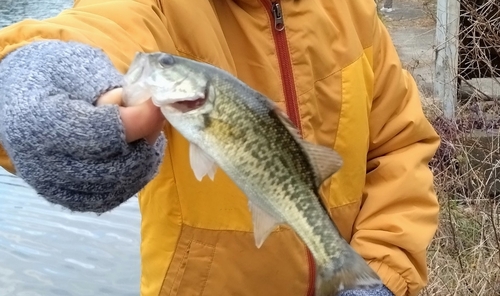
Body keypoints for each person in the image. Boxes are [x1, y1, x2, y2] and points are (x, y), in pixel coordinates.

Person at [0, 0, 440, 295]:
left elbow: (401, 147)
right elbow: (100, 24)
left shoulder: (352, 10)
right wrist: (37, 71)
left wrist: (380, 278)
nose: (158, 68)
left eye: (167, 67)